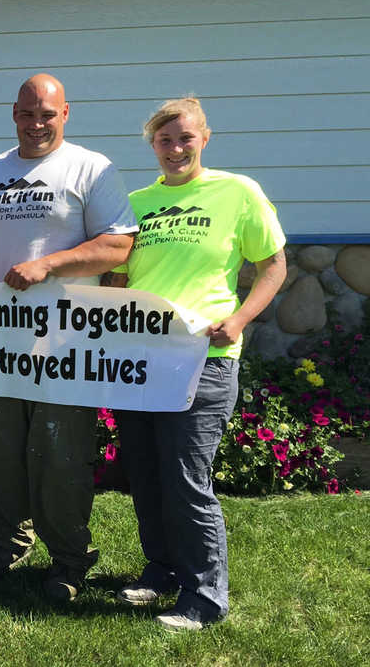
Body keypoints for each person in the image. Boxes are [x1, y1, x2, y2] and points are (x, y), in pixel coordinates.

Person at [0, 73, 138, 600]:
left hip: (64, 342)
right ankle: (6, 542)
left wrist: (49, 265)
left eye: (47, 114)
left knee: (60, 454)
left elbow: (118, 246)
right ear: (13, 114)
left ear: (66, 113)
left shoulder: (91, 168)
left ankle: (69, 559)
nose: (36, 124)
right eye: (26, 114)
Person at [108, 97, 286, 631]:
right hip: (140, 359)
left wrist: (239, 320)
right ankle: (161, 571)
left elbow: (273, 265)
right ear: (153, 145)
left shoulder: (238, 192)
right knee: (146, 474)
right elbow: (120, 277)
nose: (176, 148)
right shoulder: (135, 203)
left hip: (202, 358)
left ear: (204, 138)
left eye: (185, 138)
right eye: (165, 140)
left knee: (187, 478)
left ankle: (205, 596)